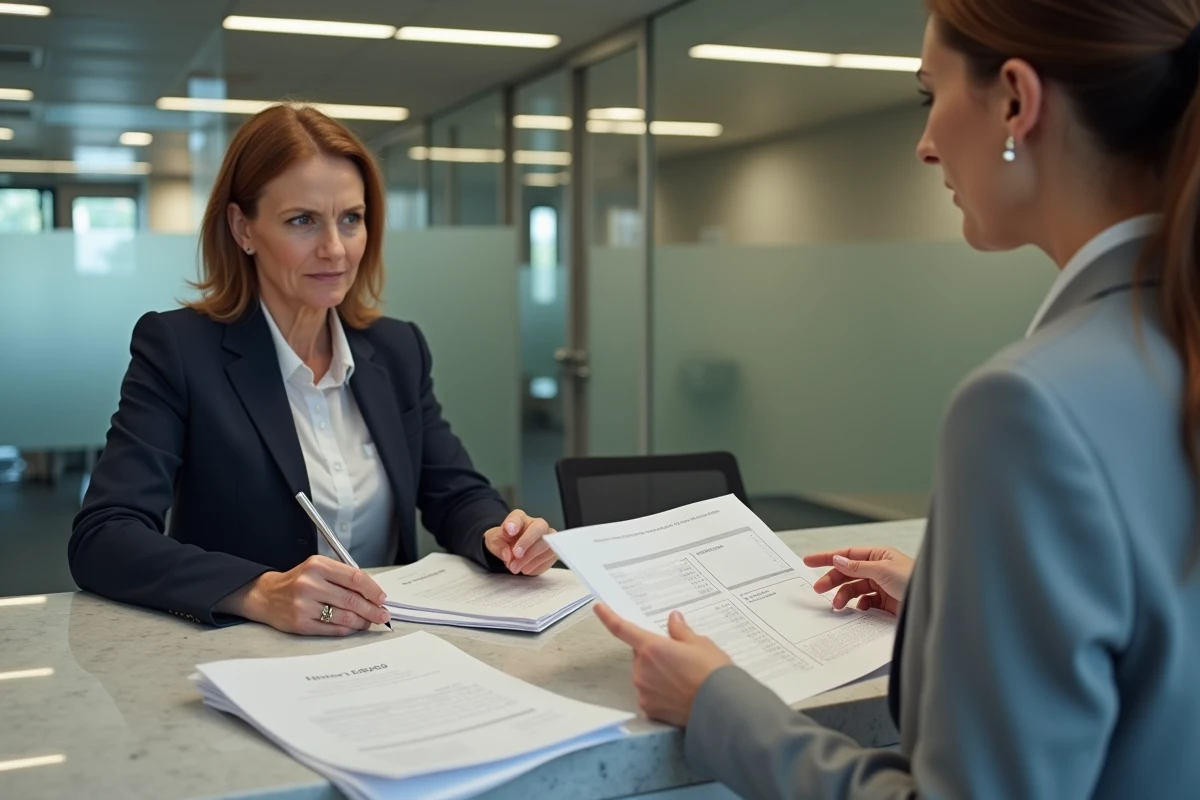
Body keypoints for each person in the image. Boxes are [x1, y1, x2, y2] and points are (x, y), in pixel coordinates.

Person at [597, 1, 1200, 797]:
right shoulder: (1168, 348)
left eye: (929, 94)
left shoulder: (1028, 408)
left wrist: (716, 702)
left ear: (1017, 100)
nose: (923, 144)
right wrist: (949, 607)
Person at [69, 105, 557, 635]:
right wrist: (257, 591)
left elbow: (454, 493)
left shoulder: (395, 350)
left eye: (351, 218)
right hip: (246, 659)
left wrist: (498, 533)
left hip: (387, 652)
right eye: (302, 220)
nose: (335, 249)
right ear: (242, 227)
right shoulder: (181, 350)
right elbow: (104, 536)